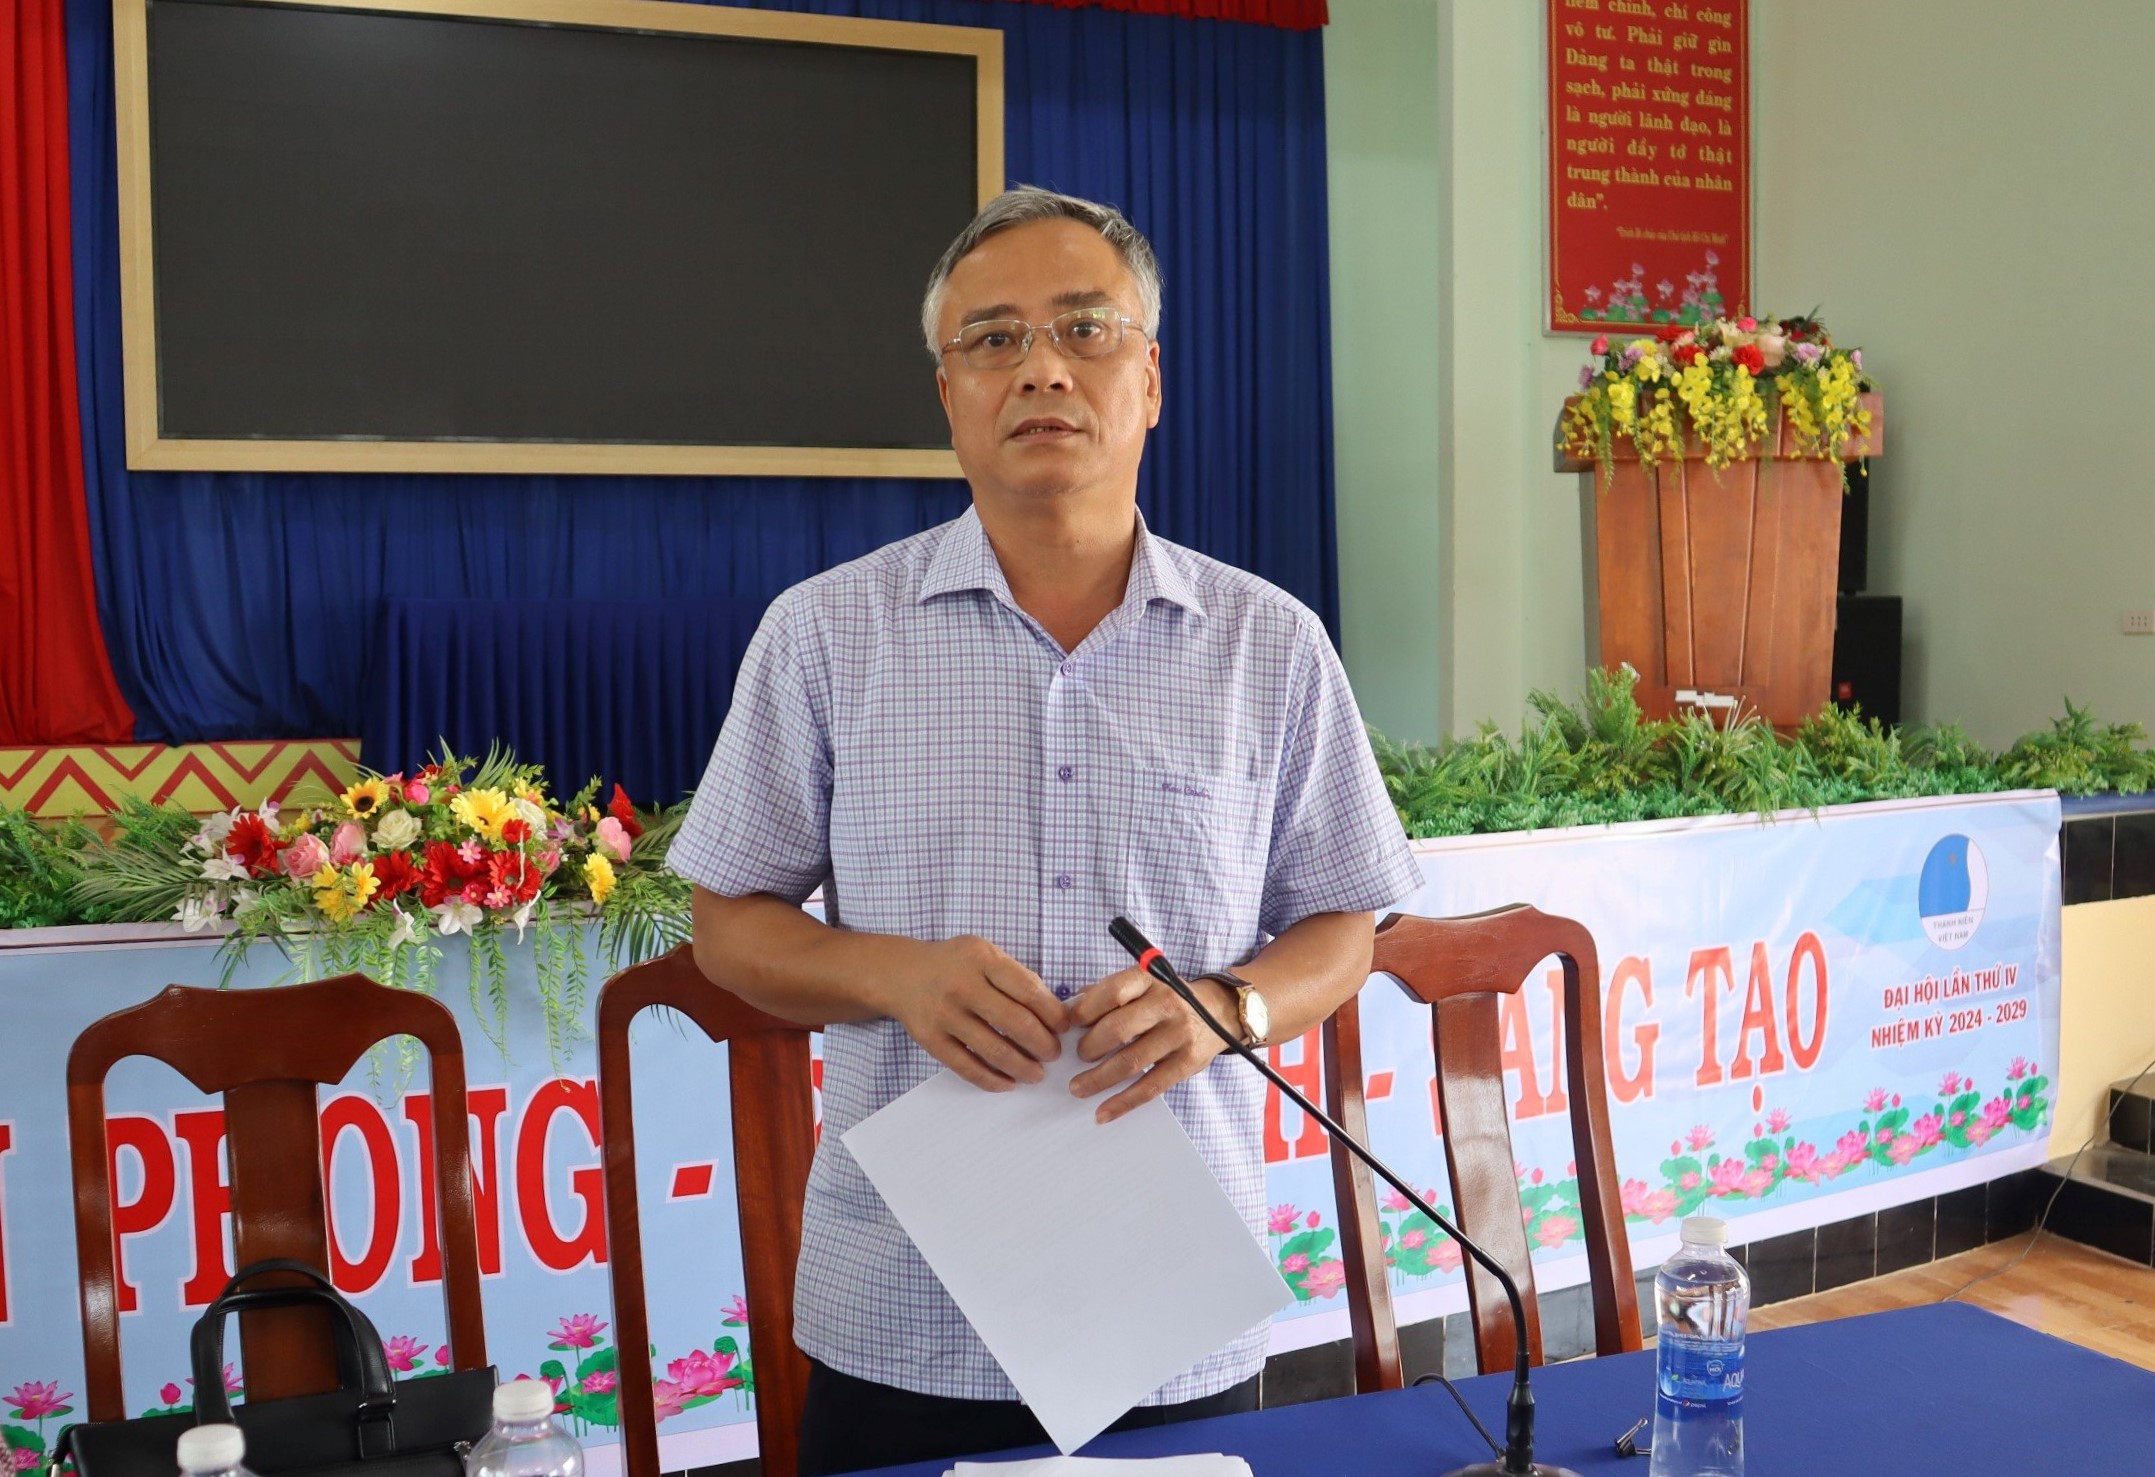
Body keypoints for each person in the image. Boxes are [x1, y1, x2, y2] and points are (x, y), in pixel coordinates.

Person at [667, 186, 1421, 1475]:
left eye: (1085, 329)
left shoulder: (1268, 646)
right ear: (948, 393)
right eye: (994, 340)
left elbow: (1346, 918)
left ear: (1152, 379)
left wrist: (1229, 1007)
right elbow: (727, 924)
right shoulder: (826, 637)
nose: (1042, 371)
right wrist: (892, 975)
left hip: (1171, 1305)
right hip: (903, 1305)